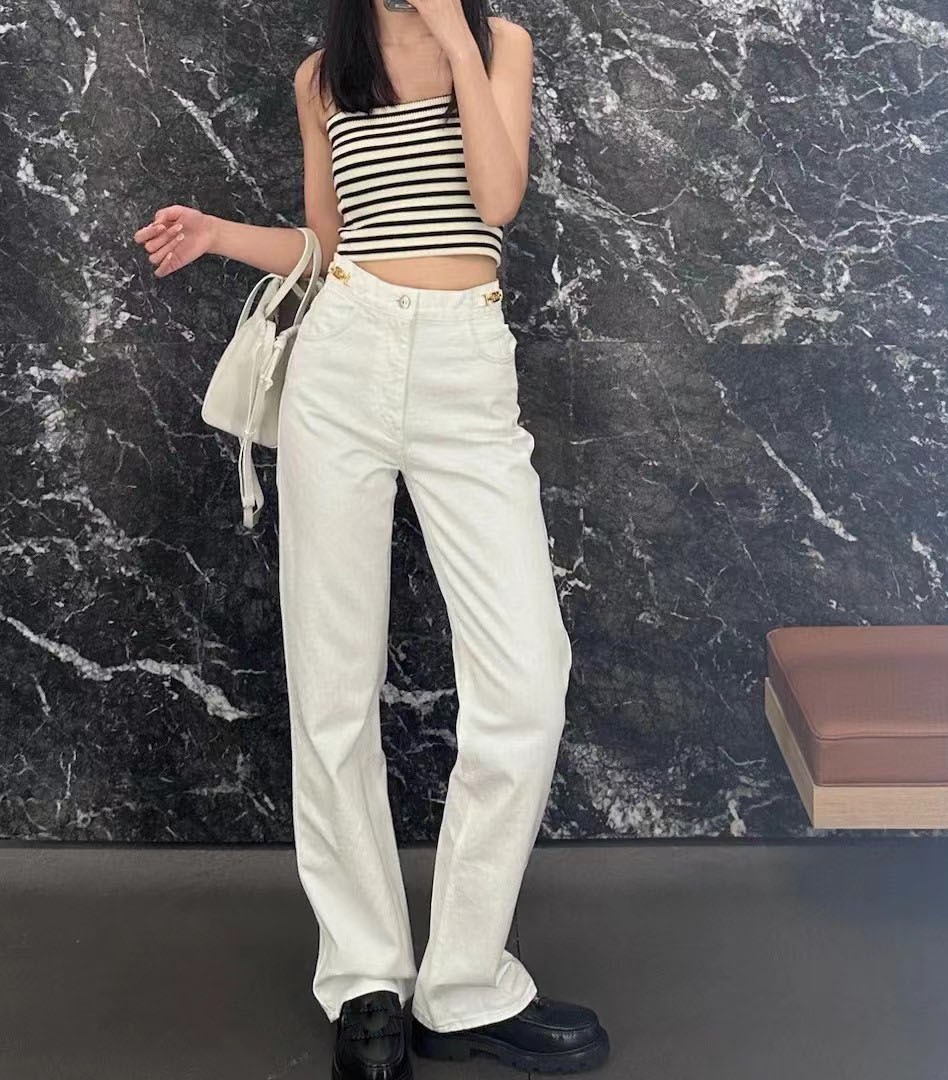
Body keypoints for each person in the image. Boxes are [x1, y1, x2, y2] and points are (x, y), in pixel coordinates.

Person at [132, 1, 610, 1077]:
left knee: (528, 679)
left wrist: (454, 37)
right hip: (342, 361)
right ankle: (365, 980)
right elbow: (333, 245)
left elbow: (498, 198)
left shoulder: (498, 45)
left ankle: (465, 985)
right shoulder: (323, 75)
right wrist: (219, 236)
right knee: (332, 679)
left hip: (464, 367)